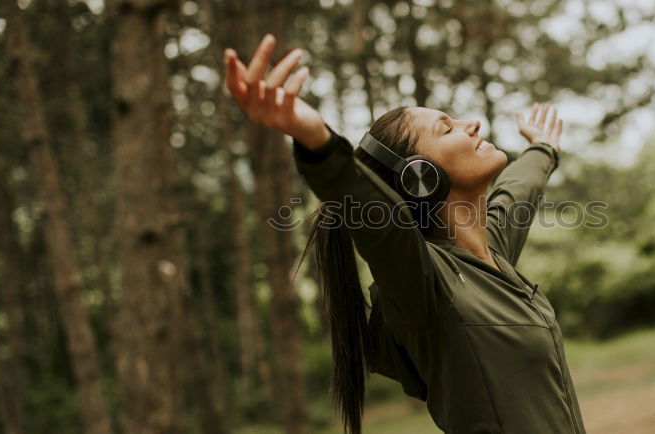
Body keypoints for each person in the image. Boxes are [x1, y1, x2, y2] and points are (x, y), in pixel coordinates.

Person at [223, 33, 586, 434]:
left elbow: (516, 191)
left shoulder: (490, 255)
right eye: (447, 129)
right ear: (420, 178)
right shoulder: (425, 282)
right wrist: (317, 142)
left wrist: (544, 148)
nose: (472, 124)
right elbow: (379, 221)